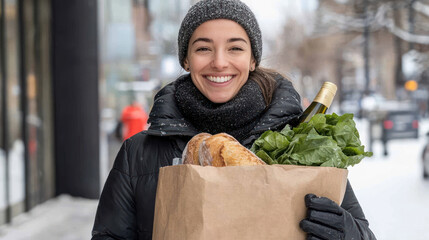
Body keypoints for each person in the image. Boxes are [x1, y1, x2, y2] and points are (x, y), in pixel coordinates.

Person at [91, 0, 376, 239]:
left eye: (235, 48)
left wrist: (346, 232)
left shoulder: (300, 146)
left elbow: (364, 233)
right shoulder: (139, 154)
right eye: (203, 48)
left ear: (253, 60)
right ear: (186, 59)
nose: (219, 62)